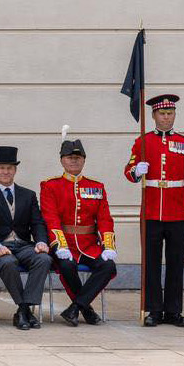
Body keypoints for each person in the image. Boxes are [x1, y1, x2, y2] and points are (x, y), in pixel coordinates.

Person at [126, 93, 184, 327]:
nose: (166, 118)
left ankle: (174, 311)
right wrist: (138, 170)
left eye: (170, 113)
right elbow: (128, 172)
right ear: (154, 116)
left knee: (176, 263)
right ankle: (154, 310)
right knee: (152, 263)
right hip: (151, 212)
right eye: (162, 113)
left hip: (177, 210)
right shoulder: (143, 142)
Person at [41, 132, 119, 327]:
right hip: (64, 244)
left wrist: (108, 245)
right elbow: (51, 218)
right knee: (67, 266)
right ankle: (87, 310)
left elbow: (104, 219)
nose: (74, 161)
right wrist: (60, 244)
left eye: (78, 158)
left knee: (108, 266)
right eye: (70, 157)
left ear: (84, 160)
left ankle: (76, 308)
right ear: (62, 160)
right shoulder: (50, 186)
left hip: (89, 245)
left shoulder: (96, 186)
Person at [0, 145, 51, 330]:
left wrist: (41, 242)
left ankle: (24, 310)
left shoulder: (28, 195)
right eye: (1, 168)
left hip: (23, 244)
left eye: (9, 168)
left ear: (15, 170)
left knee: (44, 259)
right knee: (8, 263)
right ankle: (24, 310)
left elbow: (37, 223)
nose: (6, 172)